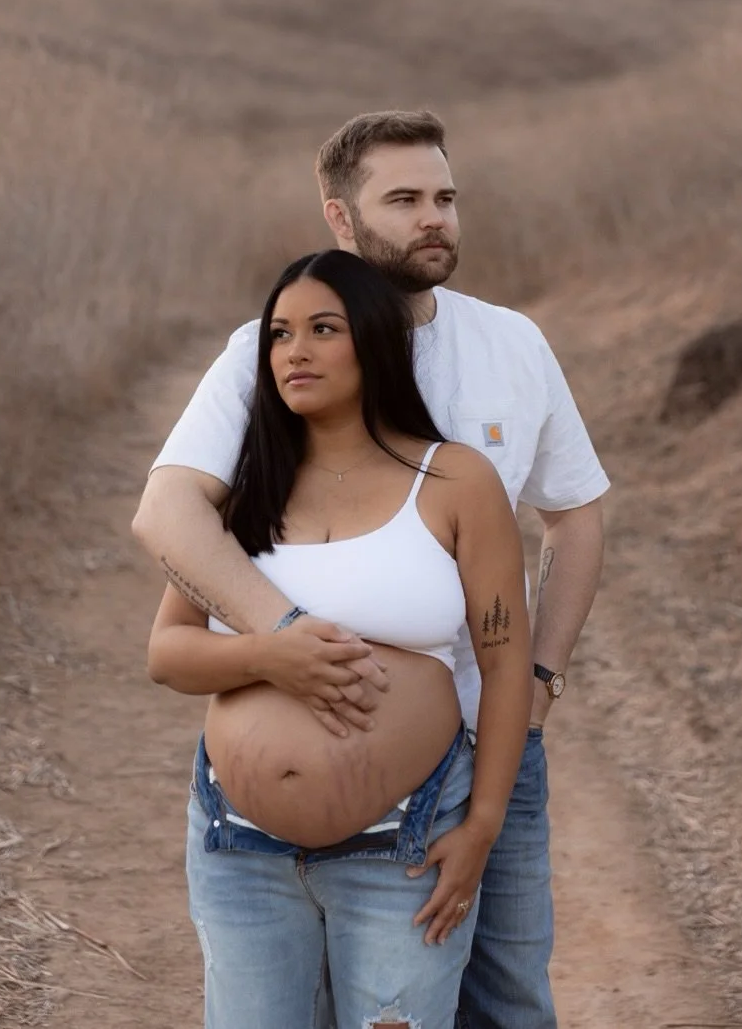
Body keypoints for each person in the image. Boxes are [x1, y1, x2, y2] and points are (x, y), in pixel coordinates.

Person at [134, 109, 609, 1029]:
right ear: (341, 220)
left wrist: (541, 682)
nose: (434, 218)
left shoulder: (512, 344)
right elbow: (167, 517)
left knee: (507, 999)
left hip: (485, 750)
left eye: (445, 197)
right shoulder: (264, 358)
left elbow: (577, 513)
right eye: (404, 200)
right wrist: (280, 645)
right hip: (255, 825)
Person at [148, 249, 532, 1029]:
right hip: (239, 845)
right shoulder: (244, 486)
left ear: (373, 341)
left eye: (323, 329)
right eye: (280, 334)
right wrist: (267, 656)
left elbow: (505, 661)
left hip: (408, 841)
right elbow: (168, 652)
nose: (295, 350)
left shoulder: (455, 481)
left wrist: (483, 825)